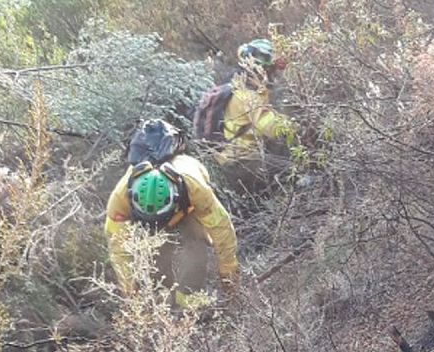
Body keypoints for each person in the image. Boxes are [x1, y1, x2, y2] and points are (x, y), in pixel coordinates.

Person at [104, 119, 239, 307]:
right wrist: (129, 289)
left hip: (188, 211)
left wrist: (228, 274)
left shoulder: (195, 188)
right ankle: (164, 299)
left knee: (195, 248)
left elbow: (221, 230)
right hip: (150, 220)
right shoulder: (120, 198)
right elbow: (118, 246)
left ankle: (189, 306)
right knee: (154, 257)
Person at [205, 38, 298, 193]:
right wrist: (294, 125)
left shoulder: (243, 86)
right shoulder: (248, 95)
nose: (272, 75)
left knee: (280, 153)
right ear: (259, 69)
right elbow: (270, 127)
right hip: (239, 161)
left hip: (237, 155)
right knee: (289, 171)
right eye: (270, 70)